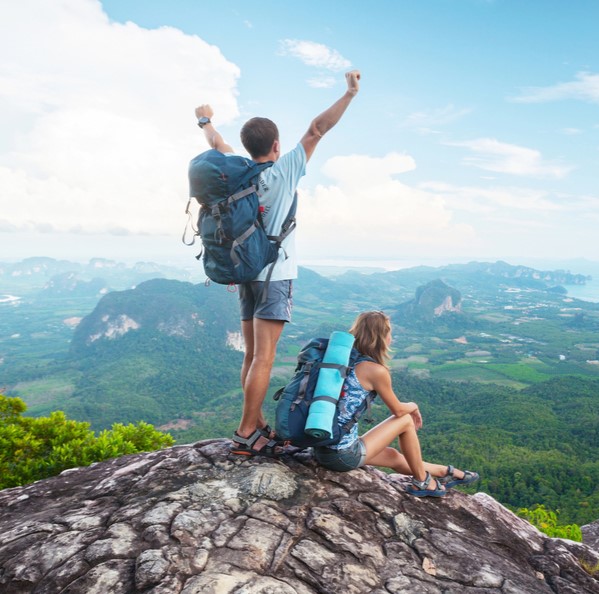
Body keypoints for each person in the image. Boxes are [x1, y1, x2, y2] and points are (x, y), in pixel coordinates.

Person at [194, 70, 362, 457]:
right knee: (265, 358)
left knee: (252, 356)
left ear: (246, 146)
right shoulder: (284, 170)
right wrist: (349, 93)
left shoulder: (237, 173)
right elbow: (317, 129)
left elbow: (216, 143)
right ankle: (246, 431)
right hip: (275, 274)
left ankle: (255, 424)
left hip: (245, 273)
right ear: (275, 144)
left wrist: (205, 121)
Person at [313, 311, 480, 497]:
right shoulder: (375, 370)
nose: (391, 338)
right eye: (389, 333)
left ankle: (444, 472)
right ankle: (422, 481)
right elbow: (398, 410)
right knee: (406, 420)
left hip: (321, 448)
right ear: (381, 337)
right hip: (341, 455)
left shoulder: (340, 361)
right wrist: (414, 405)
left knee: (392, 455)